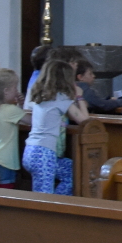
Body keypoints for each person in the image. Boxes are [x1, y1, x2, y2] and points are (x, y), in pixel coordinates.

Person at [23, 60, 91, 197]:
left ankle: (58, 202)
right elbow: (85, 121)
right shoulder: (60, 98)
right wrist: (79, 96)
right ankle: (50, 211)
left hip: (31, 151)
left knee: (73, 171)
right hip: (44, 153)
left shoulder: (41, 96)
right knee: (43, 199)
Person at [0, 69, 30, 189]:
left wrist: (19, 105)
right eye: (15, 88)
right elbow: (31, 121)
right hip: (5, 162)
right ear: (6, 91)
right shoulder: (10, 110)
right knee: (5, 195)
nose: (17, 91)